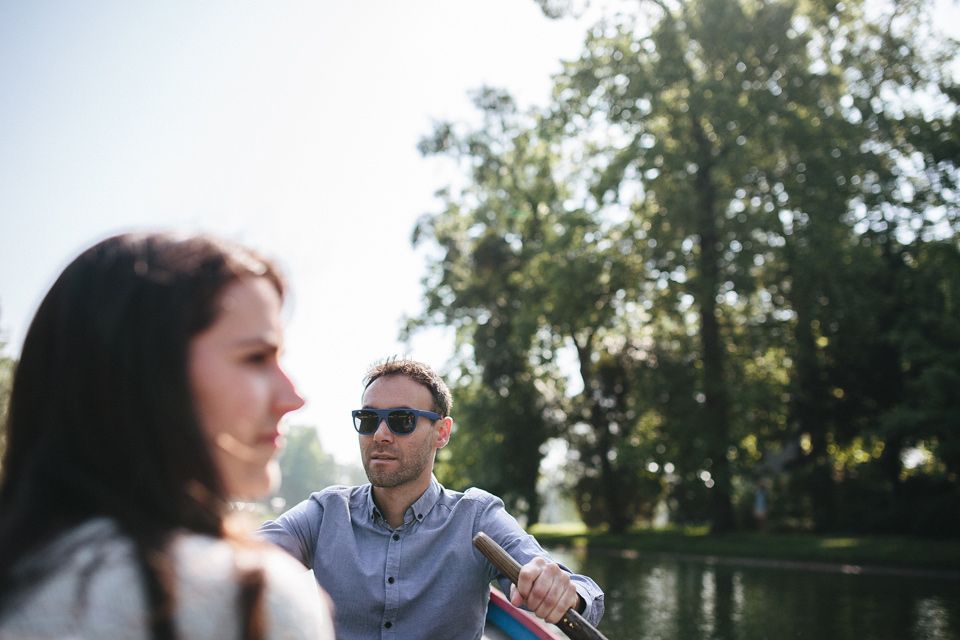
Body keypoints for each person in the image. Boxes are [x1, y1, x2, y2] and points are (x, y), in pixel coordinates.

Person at [0, 232, 335, 640]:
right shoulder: (246, 597)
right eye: (255, 358)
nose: (294, 397)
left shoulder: (25, 572)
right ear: (147, 377)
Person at [258, 358, 604, 640]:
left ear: (441, 432)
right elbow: (240, 557)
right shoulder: (325, 513)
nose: (380, 435)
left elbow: (583, 592)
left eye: (402, 420)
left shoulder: (476, 517)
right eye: (367, 419)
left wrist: (562, 591)